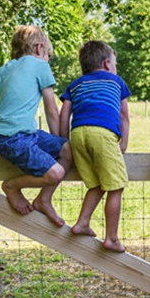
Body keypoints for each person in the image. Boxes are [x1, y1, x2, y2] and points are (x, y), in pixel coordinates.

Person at [0, 25, 72, 227]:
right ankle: (11, 186)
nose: (48, 61)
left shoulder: (1, 71)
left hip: (16, 136)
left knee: (68, 150)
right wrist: (59, 137)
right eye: (48, 55)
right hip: (14, 139)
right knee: (56, 172)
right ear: (39, 48)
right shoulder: (40, 66)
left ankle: (43, 200)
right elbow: (51, 109)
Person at [58, 41, 131, 253]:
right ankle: (112, 238)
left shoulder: (76, 84)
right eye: (115, 63)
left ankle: (82, 223)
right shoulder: (116, 82)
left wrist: (64, 141)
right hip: (103, 133)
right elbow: (124, 115)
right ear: (108, 64)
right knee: (115, 186)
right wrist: (124, 141)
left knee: (97, 183)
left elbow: (65, 114)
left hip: (78, 134)